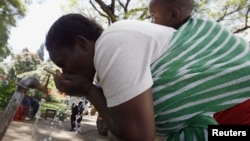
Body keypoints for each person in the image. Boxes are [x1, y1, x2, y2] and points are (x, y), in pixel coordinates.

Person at [44, 13, 250, 141]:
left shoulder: (110, 43)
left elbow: (139, 136)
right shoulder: (107, 72)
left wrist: (87, 90)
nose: (64, 72)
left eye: (63, 63)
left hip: (240, 111)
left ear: (81, 43)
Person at [149, 0, 250, 126]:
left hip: (238, 103)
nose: (151, 22)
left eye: (153, 16)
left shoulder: (207, 30)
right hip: (219, 108)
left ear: (173, 15)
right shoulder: (175, 43)